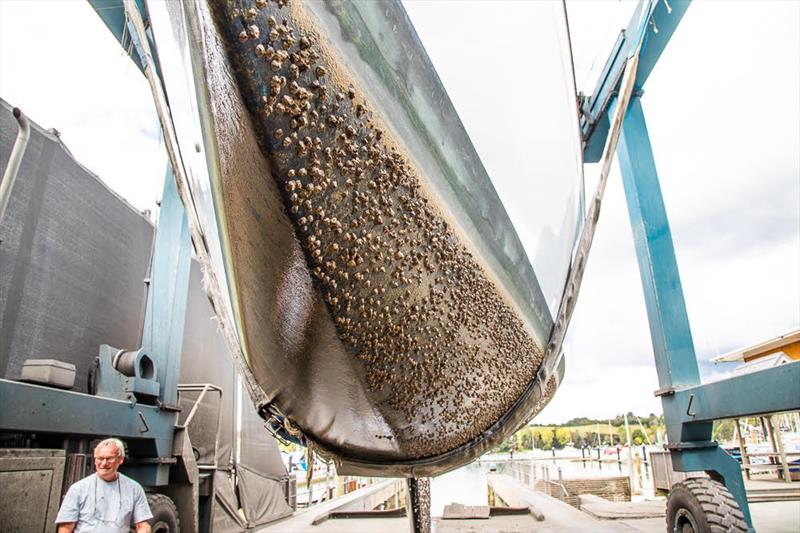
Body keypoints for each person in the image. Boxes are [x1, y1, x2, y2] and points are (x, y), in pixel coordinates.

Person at [55, 438, 153, 533]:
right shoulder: (78, 489)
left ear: (121, 459)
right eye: (100, 458)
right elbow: (65, 528)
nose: (104, 463)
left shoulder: (134, 489)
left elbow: (143, 524)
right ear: (94, 460)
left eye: (109, 458)